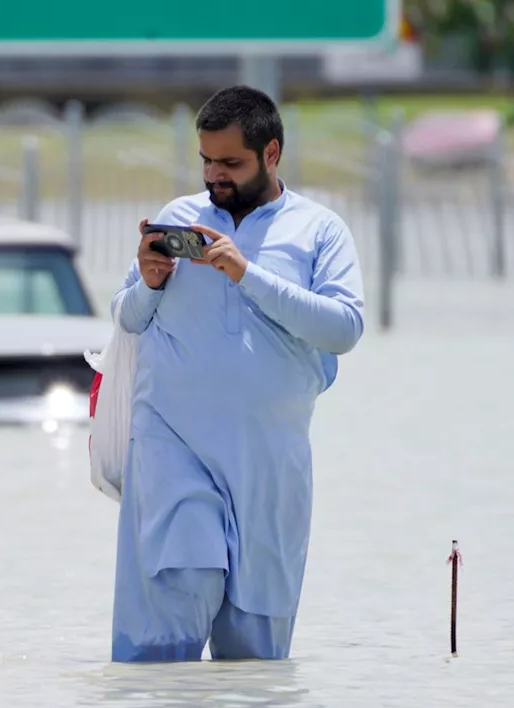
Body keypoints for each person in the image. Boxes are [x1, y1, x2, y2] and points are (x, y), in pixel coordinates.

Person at [109, 85, 365, 662]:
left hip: (269, 458)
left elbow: (344, 329)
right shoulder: (180, 219)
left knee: (254, 656)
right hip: (174, 443)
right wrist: (149, 280)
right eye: (206, 160)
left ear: (271, 153)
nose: (214, 175)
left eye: (230, 163)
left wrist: (245, 272)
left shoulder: (319, 230)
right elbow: (126, 318)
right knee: (182, 584)